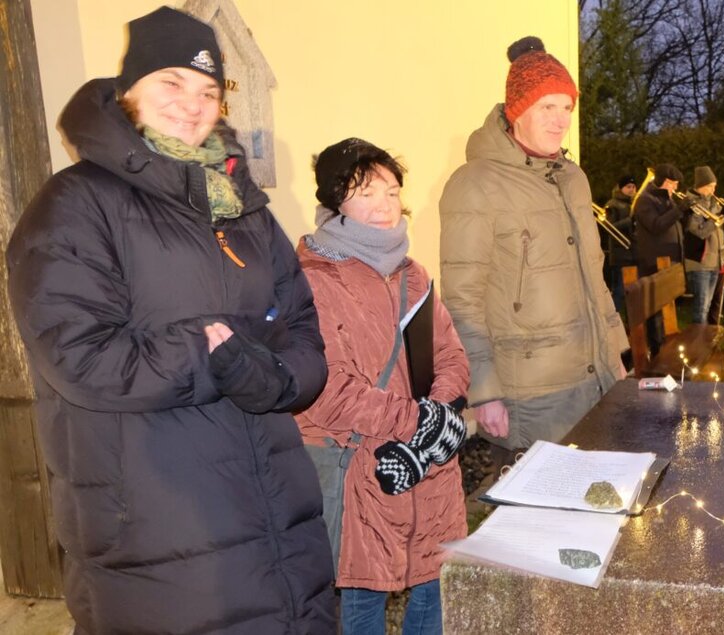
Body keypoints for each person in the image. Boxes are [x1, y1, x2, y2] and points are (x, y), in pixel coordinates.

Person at [5, 7, 334, 632]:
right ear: (128, 91)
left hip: (279, 520)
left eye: (208, 90)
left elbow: (302, 328)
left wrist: (277, 378)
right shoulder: (74, 205)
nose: (193, 103)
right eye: (171, 82)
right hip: (160, 534)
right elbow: (80, 356)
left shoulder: (244, 209)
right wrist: (211, 354)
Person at [295, 138, 470, 633]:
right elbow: (327, 390)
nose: (384, 206)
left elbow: (451, 355)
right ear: (335, 200)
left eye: (392, 192)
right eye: (366, 193)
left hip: (427, 467)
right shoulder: (313, 280)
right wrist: (420, 422)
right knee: (363, 597)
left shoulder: (413, 274)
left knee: (435, 587)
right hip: (362, 467)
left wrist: (435, 420)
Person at [439, 36, 628, 455]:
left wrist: (614, 350)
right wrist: (483, 390)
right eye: (547, 107)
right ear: (517, 110)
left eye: (567, 108)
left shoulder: (573, 178)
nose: (561, 121)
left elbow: (594, 275)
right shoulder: (475, 184)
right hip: (531, 392)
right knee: (540, 495)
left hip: (593, 375)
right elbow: (461, 300)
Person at [632, 162, 686, 355]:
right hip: (653, 262)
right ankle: (656, 351)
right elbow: (656, 225)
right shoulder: (645, 200)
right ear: (663, 181)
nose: (675, 188)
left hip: (669, 261)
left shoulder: (668, 200)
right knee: (654, 311)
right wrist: (679, 210)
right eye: (673, 183)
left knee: (667, 309)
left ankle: (666, 347)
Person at [684, 166, 724, 324]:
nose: (713, 190)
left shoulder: (714, 203)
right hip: (700, 262)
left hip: (715, 261)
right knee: (700, 308)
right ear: (700, 186)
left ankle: (703, 337)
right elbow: (699, 232)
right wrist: (717, 220)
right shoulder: (692, 204)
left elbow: (722, 232)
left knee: (707, 307)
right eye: (710, 186)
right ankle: (697, 337)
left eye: (715, 186)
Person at [603, 174, 638, 312]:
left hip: (634, 252)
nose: (632, 189)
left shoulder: (634, 204)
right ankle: (614, 316)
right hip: (620, 254)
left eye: (634, 187)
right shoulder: (613, 204)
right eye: (628, 187)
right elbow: (609, 228)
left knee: (634, 291)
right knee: (619, 290)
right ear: (621, 188)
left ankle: (632, 320)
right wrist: (630, 221)